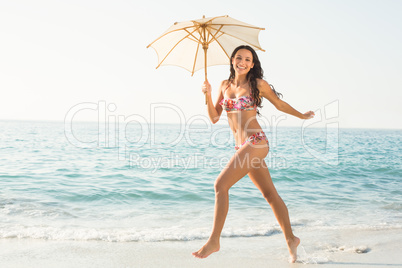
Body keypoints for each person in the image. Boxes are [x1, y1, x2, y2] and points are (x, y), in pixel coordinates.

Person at [191, 45, 315, 263]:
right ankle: (291, 239)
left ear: (252, 64)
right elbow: (213, 117)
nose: (243, 62)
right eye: (239, 58)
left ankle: (214, 241)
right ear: (232, 60)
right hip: (241, 146)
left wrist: (301, 116)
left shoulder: (257, 84)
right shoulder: (223, 85)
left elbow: (279, 104)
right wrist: (207, 95)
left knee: (220, 185)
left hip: (256, 141)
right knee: (270, 194)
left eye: (248, 59)